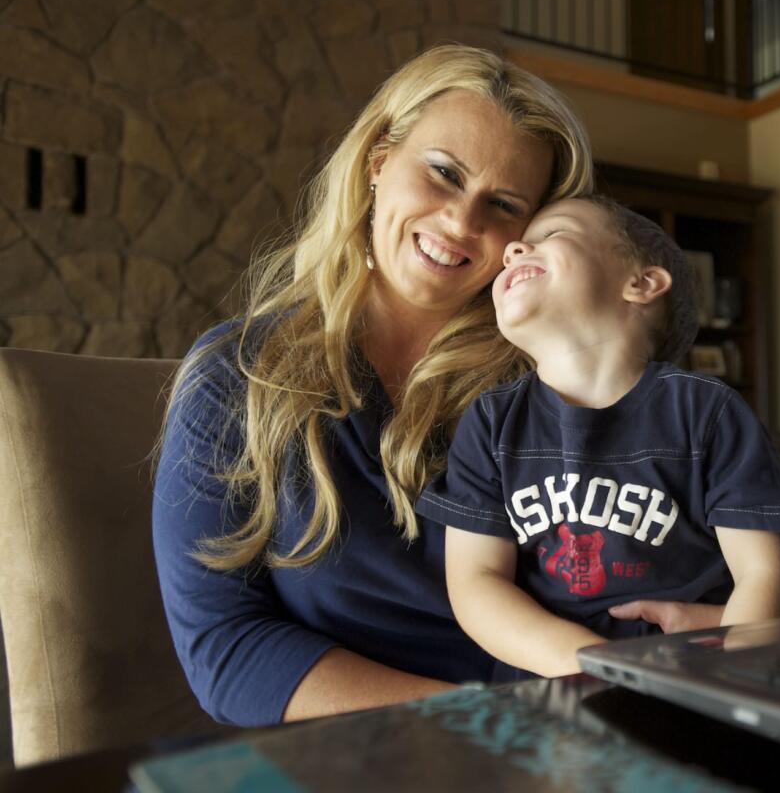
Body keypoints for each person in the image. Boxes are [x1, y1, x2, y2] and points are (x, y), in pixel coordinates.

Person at [152, 45, 606, 728]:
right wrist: (483, 727)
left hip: (569, 743)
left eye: (503, 203)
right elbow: (227, 649)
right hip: (365, 757)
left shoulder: (547, 387)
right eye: (444, 173)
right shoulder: (236, 377)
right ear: (377, 160)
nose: (461, 222)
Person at [416, 196, 780, 678]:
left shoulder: (708, 413)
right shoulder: (491, 423)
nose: (513, 249)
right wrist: (589, 662)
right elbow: (476, 584)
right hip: (547, 685)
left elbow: (764, 574)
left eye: (551, 235)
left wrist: (735, 675)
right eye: (516, 247)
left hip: (690, 675)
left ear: (641, 283)